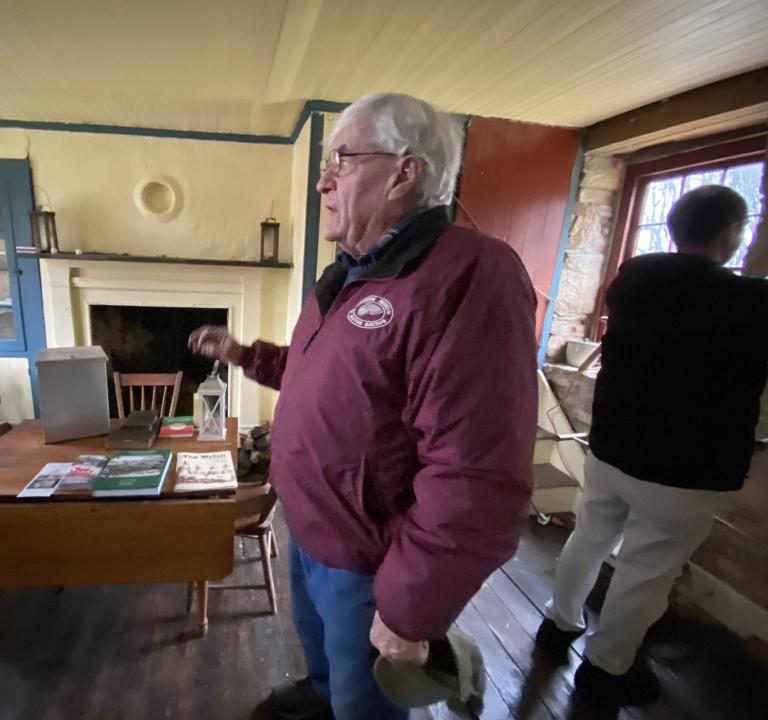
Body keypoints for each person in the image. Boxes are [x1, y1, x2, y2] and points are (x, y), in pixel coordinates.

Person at [189, 93, 537, 720]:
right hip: (309, 528)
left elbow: (477, 474)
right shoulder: (351, 273)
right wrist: (244, 354)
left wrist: (411, 610)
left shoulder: (468, 274)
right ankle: (323, 694)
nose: (323, 179)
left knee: (368, 703)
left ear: (406, 170)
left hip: (369, 559)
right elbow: (322, 378)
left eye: (342, 160)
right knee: (325, 658)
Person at [536, 185, 768, 706]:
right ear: (732, 233)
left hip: (614, 446)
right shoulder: (749, 302)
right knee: (645, 571)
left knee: (591, 537)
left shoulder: (633, 282)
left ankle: (558, 624)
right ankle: (606, 670)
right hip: (684, 468)